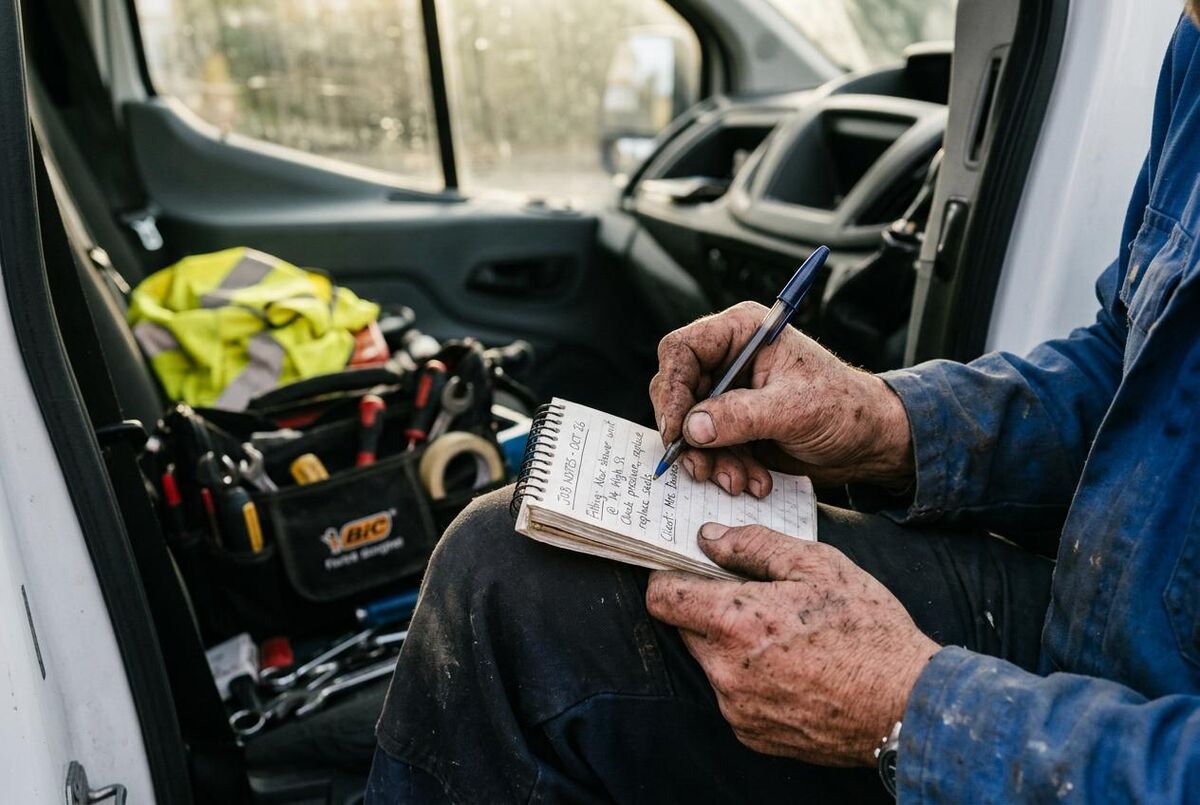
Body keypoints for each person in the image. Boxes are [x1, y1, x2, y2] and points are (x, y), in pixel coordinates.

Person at [366, 9, 1200, 803]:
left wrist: (916, 708)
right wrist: (880, 422)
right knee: (512, 575)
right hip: (1089, 628)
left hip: (1135, 744)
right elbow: (1124, 368)